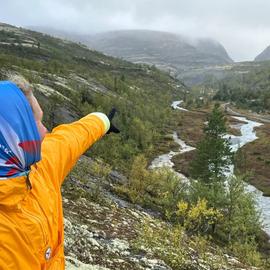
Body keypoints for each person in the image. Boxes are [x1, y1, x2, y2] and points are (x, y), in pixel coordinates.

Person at [0, 75, 119, 269]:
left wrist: (102, 120)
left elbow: (71, 138)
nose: (45, 131)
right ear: (12, 136)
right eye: (36, 123)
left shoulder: (37, 166)